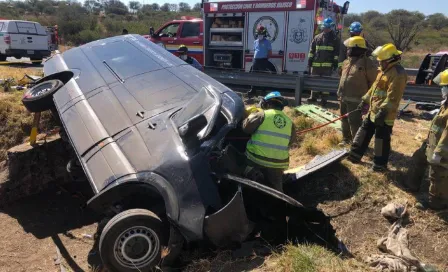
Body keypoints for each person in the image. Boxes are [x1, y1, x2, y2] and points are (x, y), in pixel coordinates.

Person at [347, 43, 407, 172]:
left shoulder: (398, 74)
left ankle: (379, 166)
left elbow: (393, 97)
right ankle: (354, 155)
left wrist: (383, 111)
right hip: (373, 111)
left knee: (381, 140)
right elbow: (374, 89)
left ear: (389, 60)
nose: (379, 63)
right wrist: (365, 100)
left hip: (384, 115)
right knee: (363, 132)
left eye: (381, 61)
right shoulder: (384, 71)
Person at [406, 69, 448, 210]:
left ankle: (436, 203)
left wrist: (440, 152)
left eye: (444, 86)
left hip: (442, 149)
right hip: (432, 143)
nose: (442, 89)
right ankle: (411, 185)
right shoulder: (445, 103)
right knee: (419, 158)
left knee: (438, 175)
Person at [242, 91, 296, 192]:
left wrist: (252, 114)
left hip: (256, 160)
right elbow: (291, 141)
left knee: (237, 161)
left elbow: (246, 129)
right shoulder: (290, 122)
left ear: (266, 104)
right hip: (278, 164)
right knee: (277, 192)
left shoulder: (261, 115)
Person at [337, 36, 377, 146]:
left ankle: (357, 144)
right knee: (344, 120)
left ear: (357, 48)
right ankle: (346, 139)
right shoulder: (346, 62)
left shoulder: (367, 63)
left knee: (355, 122)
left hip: (357, 99)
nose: (347, 50)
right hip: (343, 97)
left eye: (349, 48)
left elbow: (374, 82)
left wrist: (368, 100)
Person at [307, 17, 340, 106]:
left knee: (326, 84)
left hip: (327, 66)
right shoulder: (317, 37)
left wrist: (335, 62)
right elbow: (312, 49)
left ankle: (324, 99)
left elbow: (336, 52)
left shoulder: (335, 39)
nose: (326, 29)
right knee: (314, 82)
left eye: (328, 27)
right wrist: (310, 59)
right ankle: (313, 97)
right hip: (316, 65)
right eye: (325, 27)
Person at [248, 26, 272, 97]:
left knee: (262, 75)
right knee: (253, 75)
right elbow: (255, 50)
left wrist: (265, 59)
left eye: (261, 34)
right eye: (258, 34)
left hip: (263, 60)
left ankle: (263, 90)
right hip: (256, 60)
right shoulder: (255, 42)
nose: (260, 36)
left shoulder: (267, 42)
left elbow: (270, 52)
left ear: (264, 34)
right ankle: (253, 90)